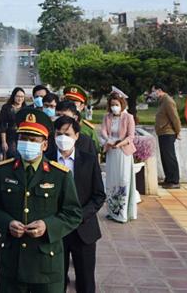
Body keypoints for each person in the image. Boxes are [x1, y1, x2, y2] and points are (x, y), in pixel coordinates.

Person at [0, 113, 82, 292]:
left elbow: (73, 213)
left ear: (44, 144)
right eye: (23, 138)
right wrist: (7, 223)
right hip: (12, 262)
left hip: (46, 265)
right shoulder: (4, 171)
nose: (27, 143)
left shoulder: (59, 174)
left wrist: (47, 226)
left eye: (33, 139)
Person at [46, 116, 105, 293]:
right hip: (56, 230)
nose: (62, 138)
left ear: (77, 136)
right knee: (55, 280)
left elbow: (99, 195)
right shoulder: (46, 160)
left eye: (67, 134)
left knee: (86, 281)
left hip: (84, 230)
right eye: (59, 133)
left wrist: (79, 216)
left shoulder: (88, 160)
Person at [100, 93, 137, 223]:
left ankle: (122, 214)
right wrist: (109, 140)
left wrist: (119, 144)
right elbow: (103, 131)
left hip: (123, 152)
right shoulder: (107, 117)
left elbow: (131, 136)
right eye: (112, 105)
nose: (114, 107)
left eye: (117, 104)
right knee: (111, 180)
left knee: (123, 180)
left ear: (122, 105)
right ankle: (112, 211)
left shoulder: (128, 117)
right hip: (111, 151)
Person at [152, 82, 182, 189]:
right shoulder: (162, 101)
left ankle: (174, 181)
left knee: (169, 157)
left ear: (159, 90)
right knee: (165, 157)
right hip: (162, 133)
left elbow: (175, 118)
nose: (153, 93)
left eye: (154, 90)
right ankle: (168, 179)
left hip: (168, 133)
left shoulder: (168, 101)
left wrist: (178, 131)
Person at [63, 85, 99, 155]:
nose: (71, 104)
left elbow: (96, 151)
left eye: (74, 102)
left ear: (82, 106)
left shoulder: (88, 130)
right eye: (68, 101)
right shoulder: (55, 125)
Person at [0, 87, 26, 160]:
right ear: (13, 96)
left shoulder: (26, 108)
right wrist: (3, 142)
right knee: (11, 155)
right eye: (18, 96)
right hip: (10, 136)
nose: (20, 98)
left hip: (22, 136)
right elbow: (3, 125)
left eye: (22, 96)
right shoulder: (6, 108)